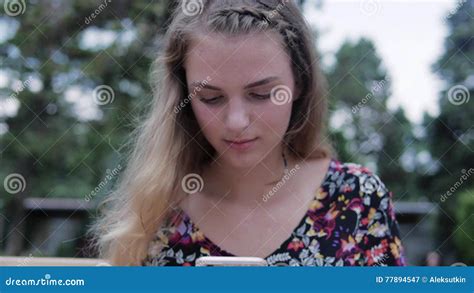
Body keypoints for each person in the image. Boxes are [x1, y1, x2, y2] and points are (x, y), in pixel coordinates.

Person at [90, 0, 406, 266]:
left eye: (262, 93)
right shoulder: (153, 218)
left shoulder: (358, 200)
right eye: (210, 97)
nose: (237, 121)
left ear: (299, 82)